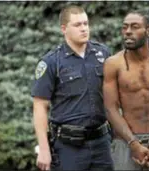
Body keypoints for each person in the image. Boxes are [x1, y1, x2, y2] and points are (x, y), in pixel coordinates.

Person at [31, 5, 113, 171]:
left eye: (85, 23)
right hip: (68, 147)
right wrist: (44, 149)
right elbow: (40, 106)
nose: (84, 29)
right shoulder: (52, 62)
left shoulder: (103, 53)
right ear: (64, 29)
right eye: (77, 25)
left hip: (101, 144)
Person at [103, 10, 149, 170]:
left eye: (134, 27)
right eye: (124, 27)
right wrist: (134, 144)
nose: (127, 32)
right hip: (126, 142)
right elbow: (110, 109)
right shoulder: (113, 64)